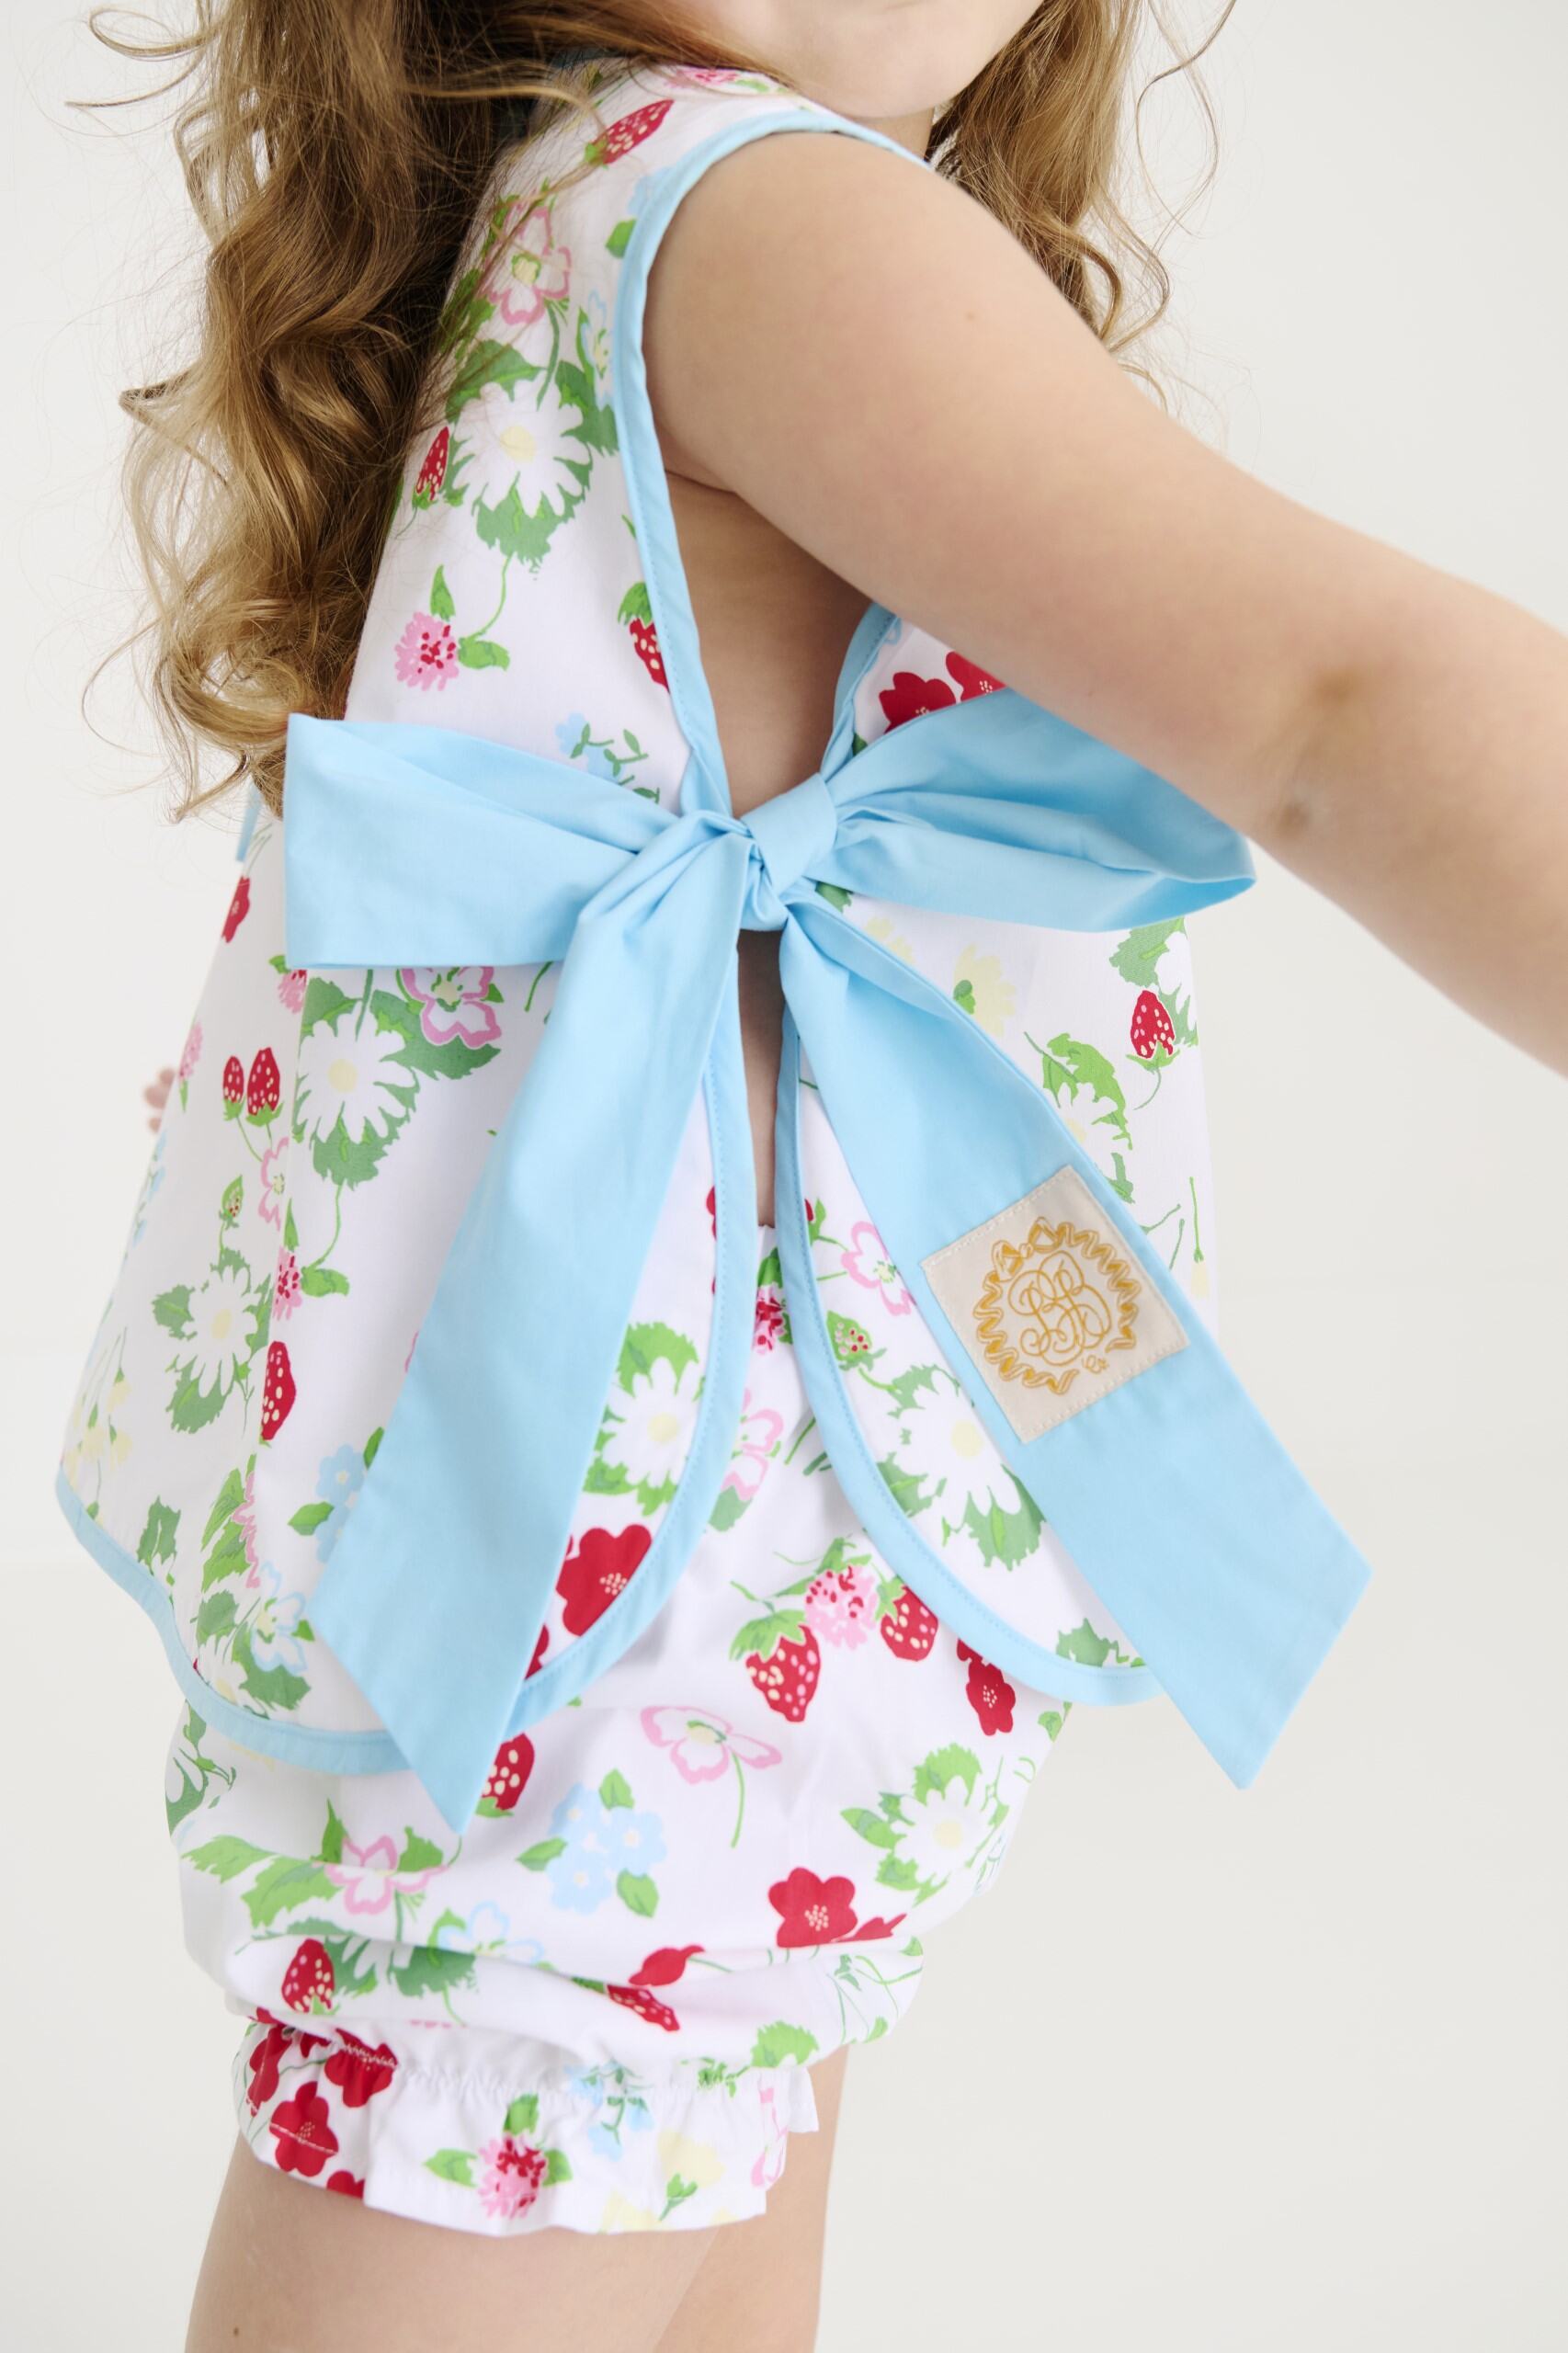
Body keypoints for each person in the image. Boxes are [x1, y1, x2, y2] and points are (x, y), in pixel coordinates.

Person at [54, 6, 1566, 2350]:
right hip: (648, 1607)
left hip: (646, 1558)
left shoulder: (602, 190)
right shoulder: (763, 213)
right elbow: (1323, 702)